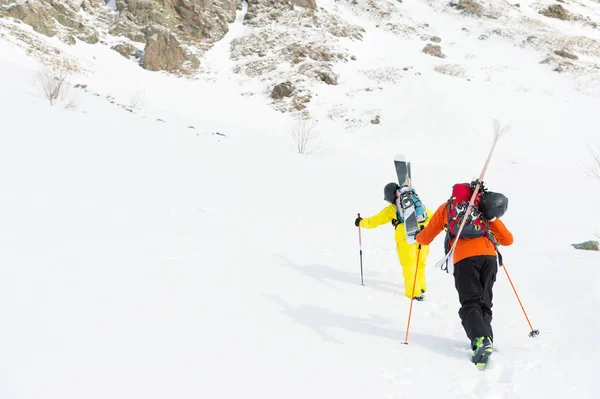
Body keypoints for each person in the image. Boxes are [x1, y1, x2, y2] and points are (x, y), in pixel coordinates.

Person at [414, 182, 513, 366]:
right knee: (484, 302)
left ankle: (481, 340)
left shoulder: (448, 208)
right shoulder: (483, 209)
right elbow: (508, 240)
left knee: (470, 303)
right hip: (489, 258)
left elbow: (426, 237)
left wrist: (418, 236)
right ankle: (486, 340)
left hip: (464, 259)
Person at [355, 182, 433, 300]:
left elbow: (374, 221)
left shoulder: (392, 209)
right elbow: (432, 216)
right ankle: (421, 287)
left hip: (406, 238)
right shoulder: (415, 203)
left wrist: (361, 222)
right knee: (420, 263)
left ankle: (414, 293)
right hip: (423, 234)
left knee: (409, 265)